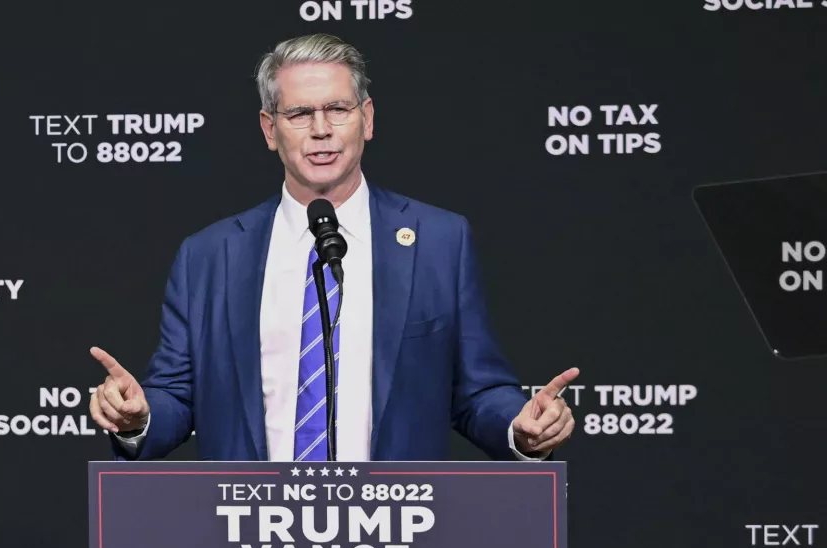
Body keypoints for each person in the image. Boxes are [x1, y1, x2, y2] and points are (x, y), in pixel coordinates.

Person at [88, 33, 577, 462]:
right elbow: (177, 396)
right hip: (252, 530)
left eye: (337, 109)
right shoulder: (209, 255)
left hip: (395, 529)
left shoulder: (439, 241)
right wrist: (138, 418)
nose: (320, 129)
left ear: (366, 119)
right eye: (299, 113)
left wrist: (521, 428)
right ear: (269, 129)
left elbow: (477, 392)